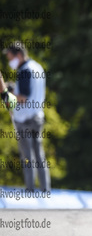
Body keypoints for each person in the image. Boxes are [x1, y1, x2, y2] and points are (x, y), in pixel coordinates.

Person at [3, 41, 51, 192]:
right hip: (37, 115)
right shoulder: (37, 67)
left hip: (24, 118)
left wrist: (8, 92)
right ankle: (45, 189)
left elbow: (23, 97)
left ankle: (30, 189)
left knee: (27, 156)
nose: (11, 62)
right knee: (39, 153)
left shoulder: (24, 70)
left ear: (19, 55)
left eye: (11, 58)